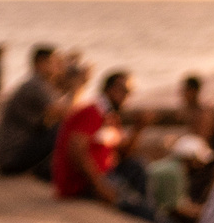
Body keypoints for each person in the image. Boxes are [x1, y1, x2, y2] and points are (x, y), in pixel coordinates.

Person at [54, 69, 152, 214]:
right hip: (83, 183)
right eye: (123, 91)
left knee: (137, 166)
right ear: (109, 89)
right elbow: (76, 149)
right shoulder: (92, 111)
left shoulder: (110, 116)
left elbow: (123, 154)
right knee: (136, 207)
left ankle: (145, 209)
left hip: (104, 174)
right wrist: (101, 186)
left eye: (129, 92)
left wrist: (138, 129)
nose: (126, 96)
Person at [0, 45, 73, 176]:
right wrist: (77, 86)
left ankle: (49, 171)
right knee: (62, 129)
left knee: (56, 128)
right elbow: (67, 115)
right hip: (11, 158)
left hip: (8, 157)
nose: (59, 66)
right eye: (54, 62)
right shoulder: (36, 85)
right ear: (41, 63)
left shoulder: (40, 84)